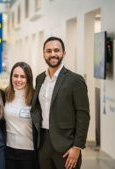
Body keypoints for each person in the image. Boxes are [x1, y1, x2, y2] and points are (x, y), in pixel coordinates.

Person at [31, 36, 90, 169]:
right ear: (43, 54)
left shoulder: (75, 80)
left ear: (63, 53)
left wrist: (77, 147)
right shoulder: (40, 78)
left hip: (66, 145)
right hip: (43, 143)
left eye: (56, 50)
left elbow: (83, 115)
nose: (53, 54)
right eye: (49, 51)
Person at [4, 62, 38, 169]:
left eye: (23, 76)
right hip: (8, 150)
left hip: (28, 151)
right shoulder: (5, 95)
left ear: (28, 78)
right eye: (15, 76)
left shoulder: (35, 98)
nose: (18, 80)